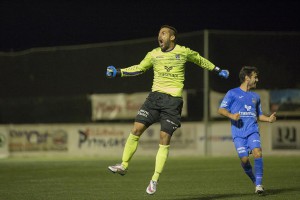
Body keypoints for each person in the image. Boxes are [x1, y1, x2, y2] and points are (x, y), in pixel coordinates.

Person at [106, 25, 229, 195]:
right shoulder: (153, 54)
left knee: (164, 139)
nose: (159, 36)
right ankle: (124, 165)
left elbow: (200, 60)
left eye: (163, 33)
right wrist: (119, 72)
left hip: (173, 101)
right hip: (154, 98)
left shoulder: (183, 52)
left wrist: (217, 70)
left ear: (172, 37)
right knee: (136, 129)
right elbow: (140, 68)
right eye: (158, 34)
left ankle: (154, 179)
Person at [218, 66, 276, 195]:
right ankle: (255, 182)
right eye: (255, 77)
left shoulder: (256, 96)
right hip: (238, 133)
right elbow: (221, 110)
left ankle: (259, 185)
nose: (257, 79)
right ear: (247, 78)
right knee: (244, 159)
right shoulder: (232, 93)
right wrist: (232, 116)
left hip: (252, 130)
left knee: (258, 152)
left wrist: (268, 119)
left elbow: (259, 115)